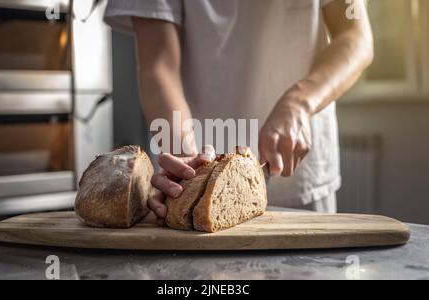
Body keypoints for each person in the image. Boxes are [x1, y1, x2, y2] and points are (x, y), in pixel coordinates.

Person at [105, 0, 374, 224]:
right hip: (194, 186)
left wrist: (298, 103)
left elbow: (355, 36)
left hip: (302, 180)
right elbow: (159, 66)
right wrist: (185, 159)